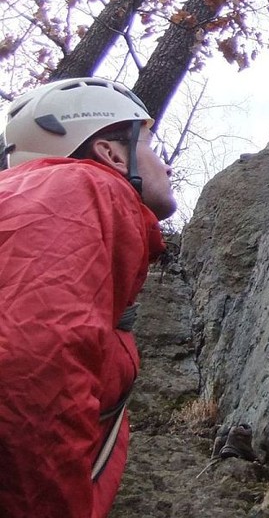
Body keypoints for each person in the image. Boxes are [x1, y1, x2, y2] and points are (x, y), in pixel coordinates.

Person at [0, 77, 175, 517]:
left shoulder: (41, 201)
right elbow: (31, 363)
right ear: (111, 153)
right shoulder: (75, 189)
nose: (166, 166)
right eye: (152, 146)